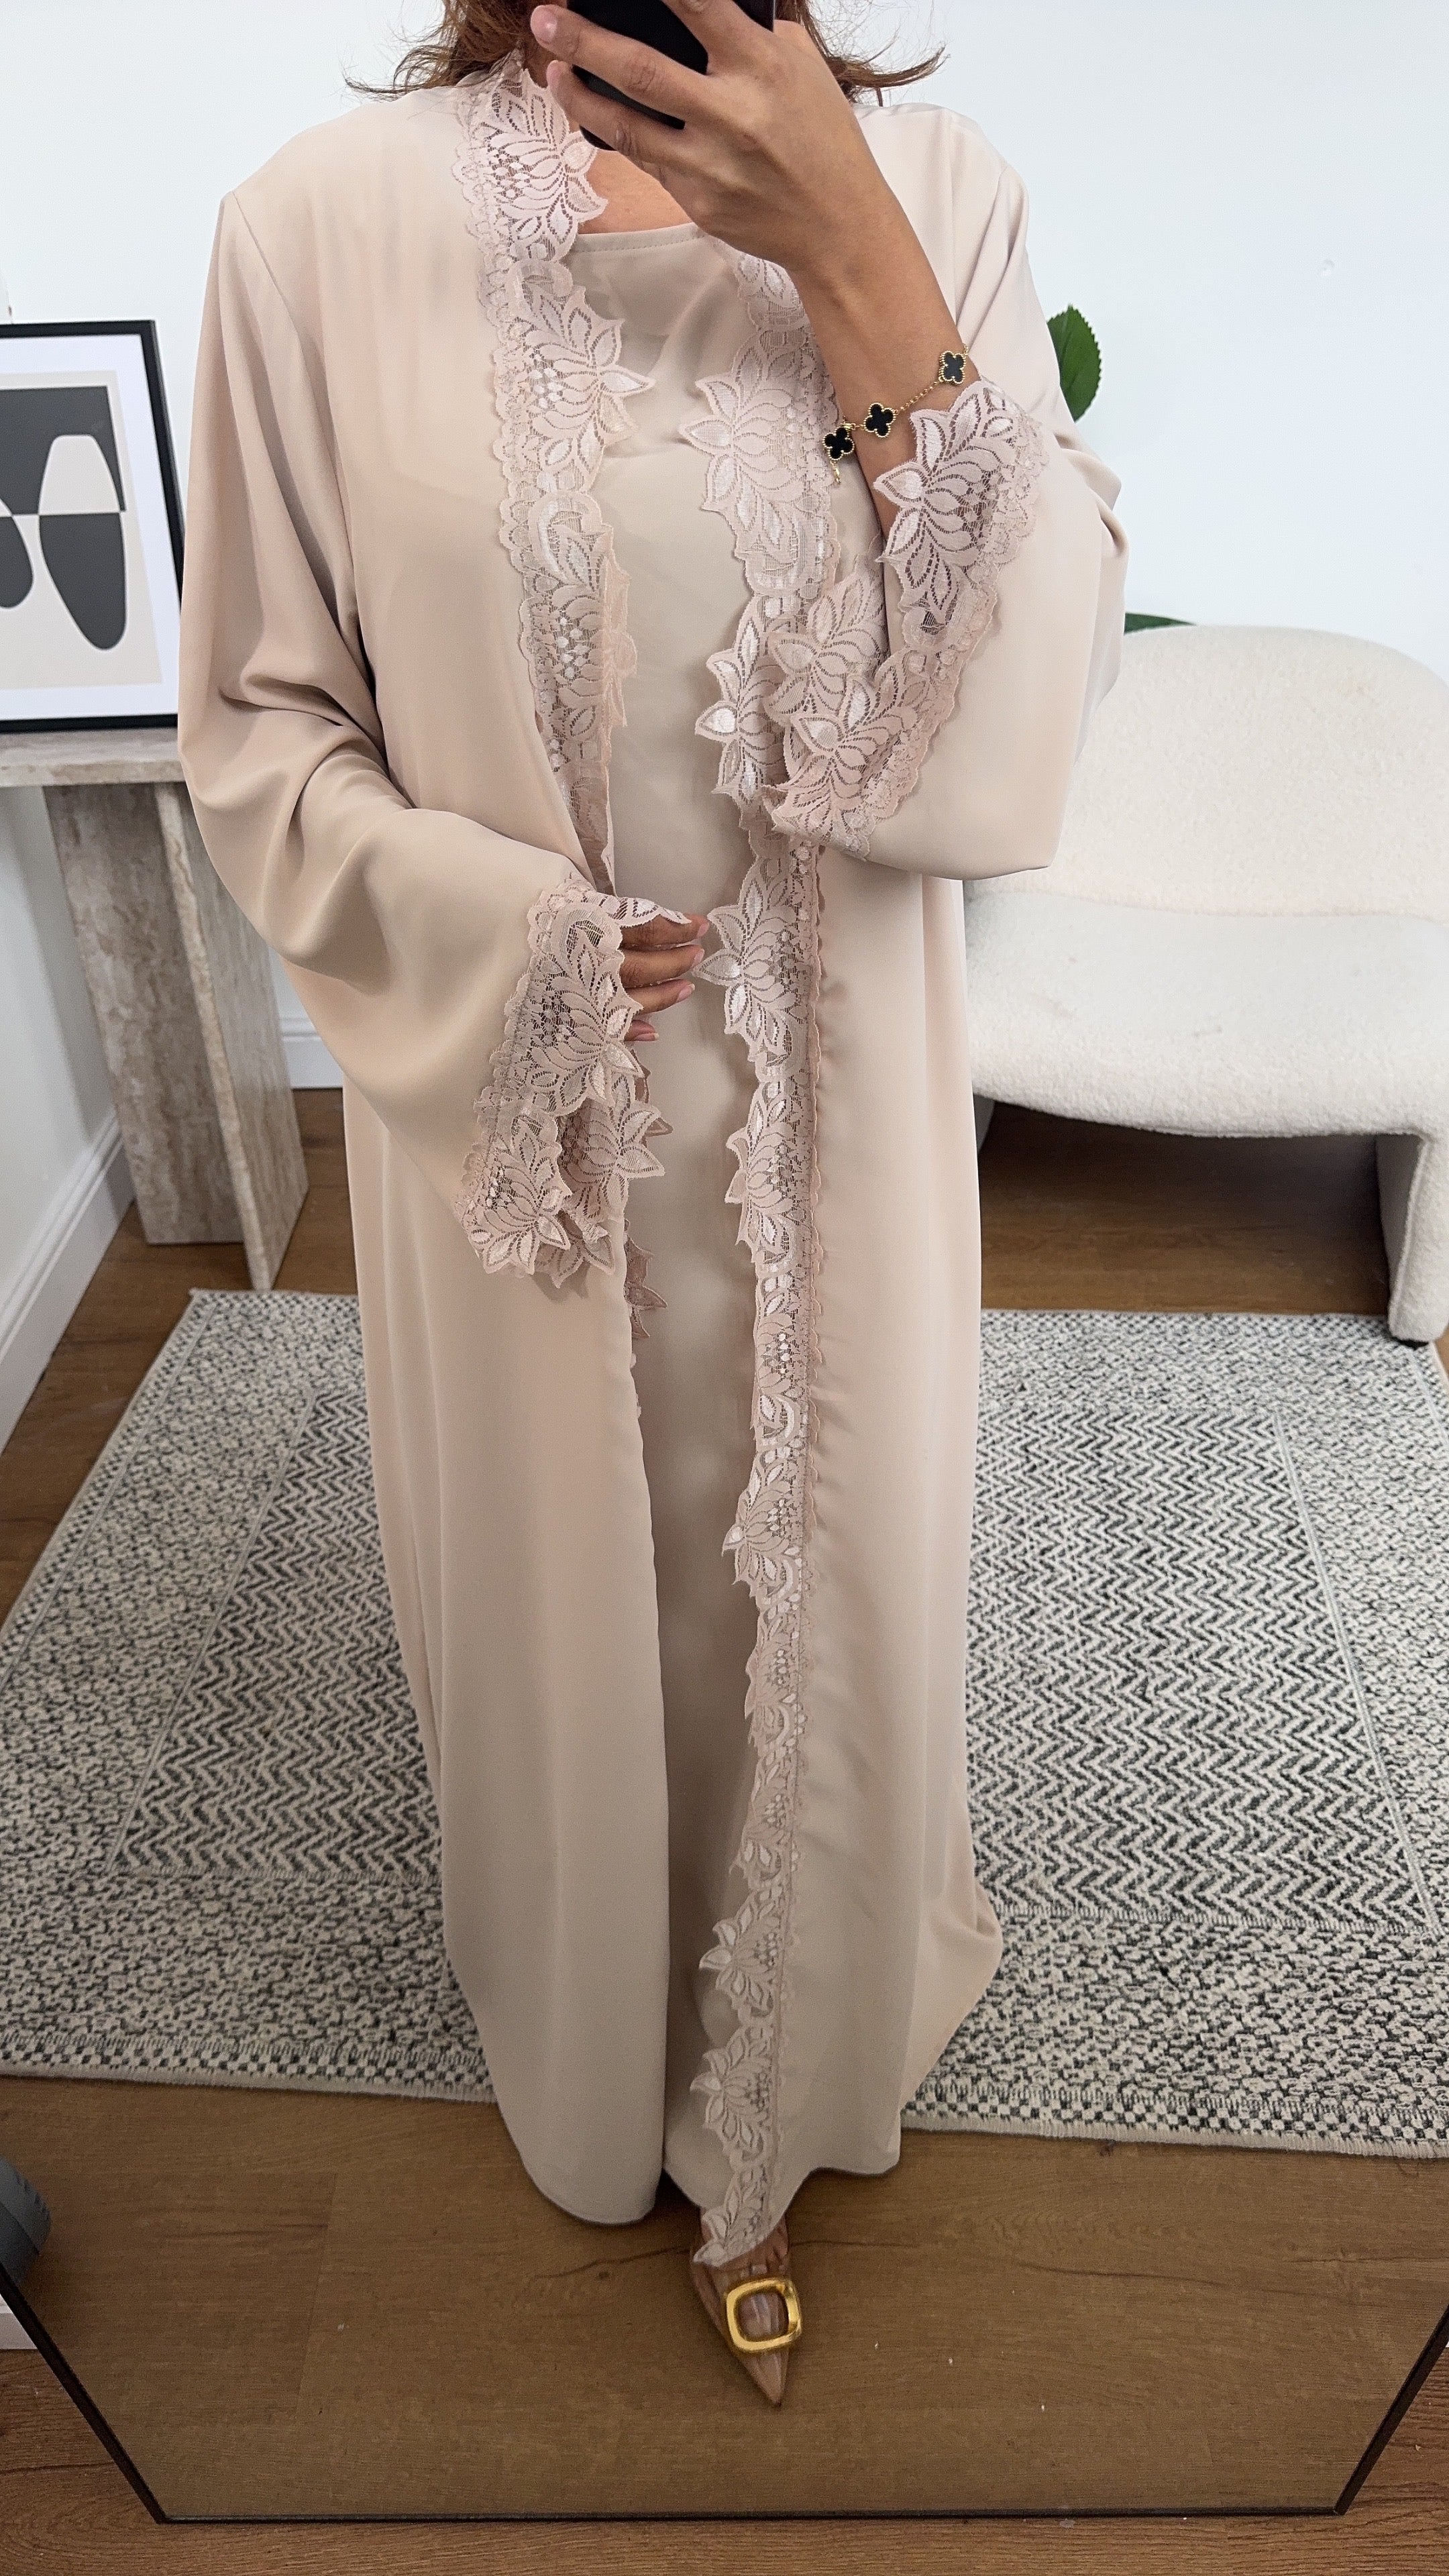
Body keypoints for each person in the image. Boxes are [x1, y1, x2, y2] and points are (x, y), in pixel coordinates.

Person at [178, 0, 1126, 2404]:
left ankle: (807, 2051)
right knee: (572, 1595)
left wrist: (847, 246)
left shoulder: (945, 196)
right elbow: (261, 730)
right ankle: (601, 2020)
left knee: (832, 1564)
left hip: (846, 1116)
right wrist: (501, 944)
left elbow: (1018, 726)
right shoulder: (317, 234)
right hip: (538, 1127)